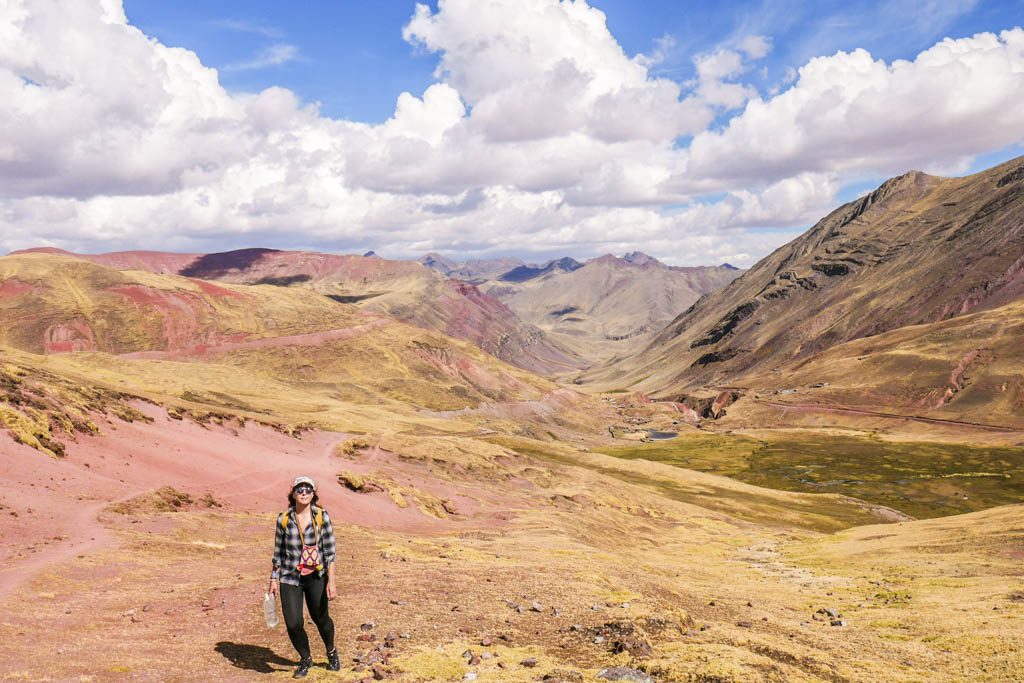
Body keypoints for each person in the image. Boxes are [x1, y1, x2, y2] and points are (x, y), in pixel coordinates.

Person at [269, 476, 340, 678]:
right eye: (300, 489)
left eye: (308, 489)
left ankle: (331, 651)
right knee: (293, 623)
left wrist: (331, 582)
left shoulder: (322, 517)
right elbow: (278, 553)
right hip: (290, 577)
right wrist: (273, 579)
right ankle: (305, 658)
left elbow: (330, 552)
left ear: (313, 493)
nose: (304, 493)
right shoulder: (283, 519)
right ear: (293, 493)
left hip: (316, 576)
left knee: (320, 618)